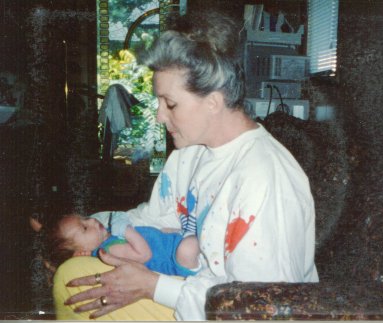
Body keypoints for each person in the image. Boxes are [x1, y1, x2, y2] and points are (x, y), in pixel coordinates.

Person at [53, 9, 318, 321]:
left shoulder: (264, 180)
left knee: (70, 286)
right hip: (190, 289)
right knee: (73, 269)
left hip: (224, 311)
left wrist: (151, 286)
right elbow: (153, 217)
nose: (159, 116)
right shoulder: (189, 153)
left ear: (213, 101)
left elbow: (258, 309)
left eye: (171, 104)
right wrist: (79, 228)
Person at [47, 212, 200, 277]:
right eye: (85, 228)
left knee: (188, 238)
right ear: (82, 252)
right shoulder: (109, 250)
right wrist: (125, 229)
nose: (92, 220)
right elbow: (144, 254)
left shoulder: (107, 237)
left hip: (171, 244)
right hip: (174, 260)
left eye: (85, 218)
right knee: (189, 247)